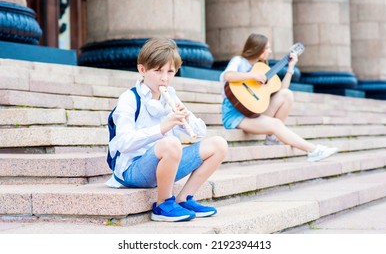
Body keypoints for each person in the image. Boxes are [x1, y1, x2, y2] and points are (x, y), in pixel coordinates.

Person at [106, 37, 228, 222]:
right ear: (142, 70)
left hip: (166, 165)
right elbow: (123, 143)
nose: (164, 77)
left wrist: (187, 118)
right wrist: (161, 128)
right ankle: (162, 204)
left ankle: (184, 198)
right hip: (133, 170)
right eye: (158, 71)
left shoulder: (170, 95)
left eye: (170, 72)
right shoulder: (129, 98)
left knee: (219, 144)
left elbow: (200, 133)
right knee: (170, 143)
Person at [219, 33, 337, 162]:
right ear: (257, 48)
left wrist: (290, 68)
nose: (269, 51)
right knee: (276, 124)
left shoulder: (262, 68)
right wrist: (253, 76)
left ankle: (271, 139)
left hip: (252, 110)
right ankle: (314, 150)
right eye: (267, 48)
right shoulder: (239, 61)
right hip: (235, 115)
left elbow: (281, 90)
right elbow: (228, 76)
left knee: (287, 95)